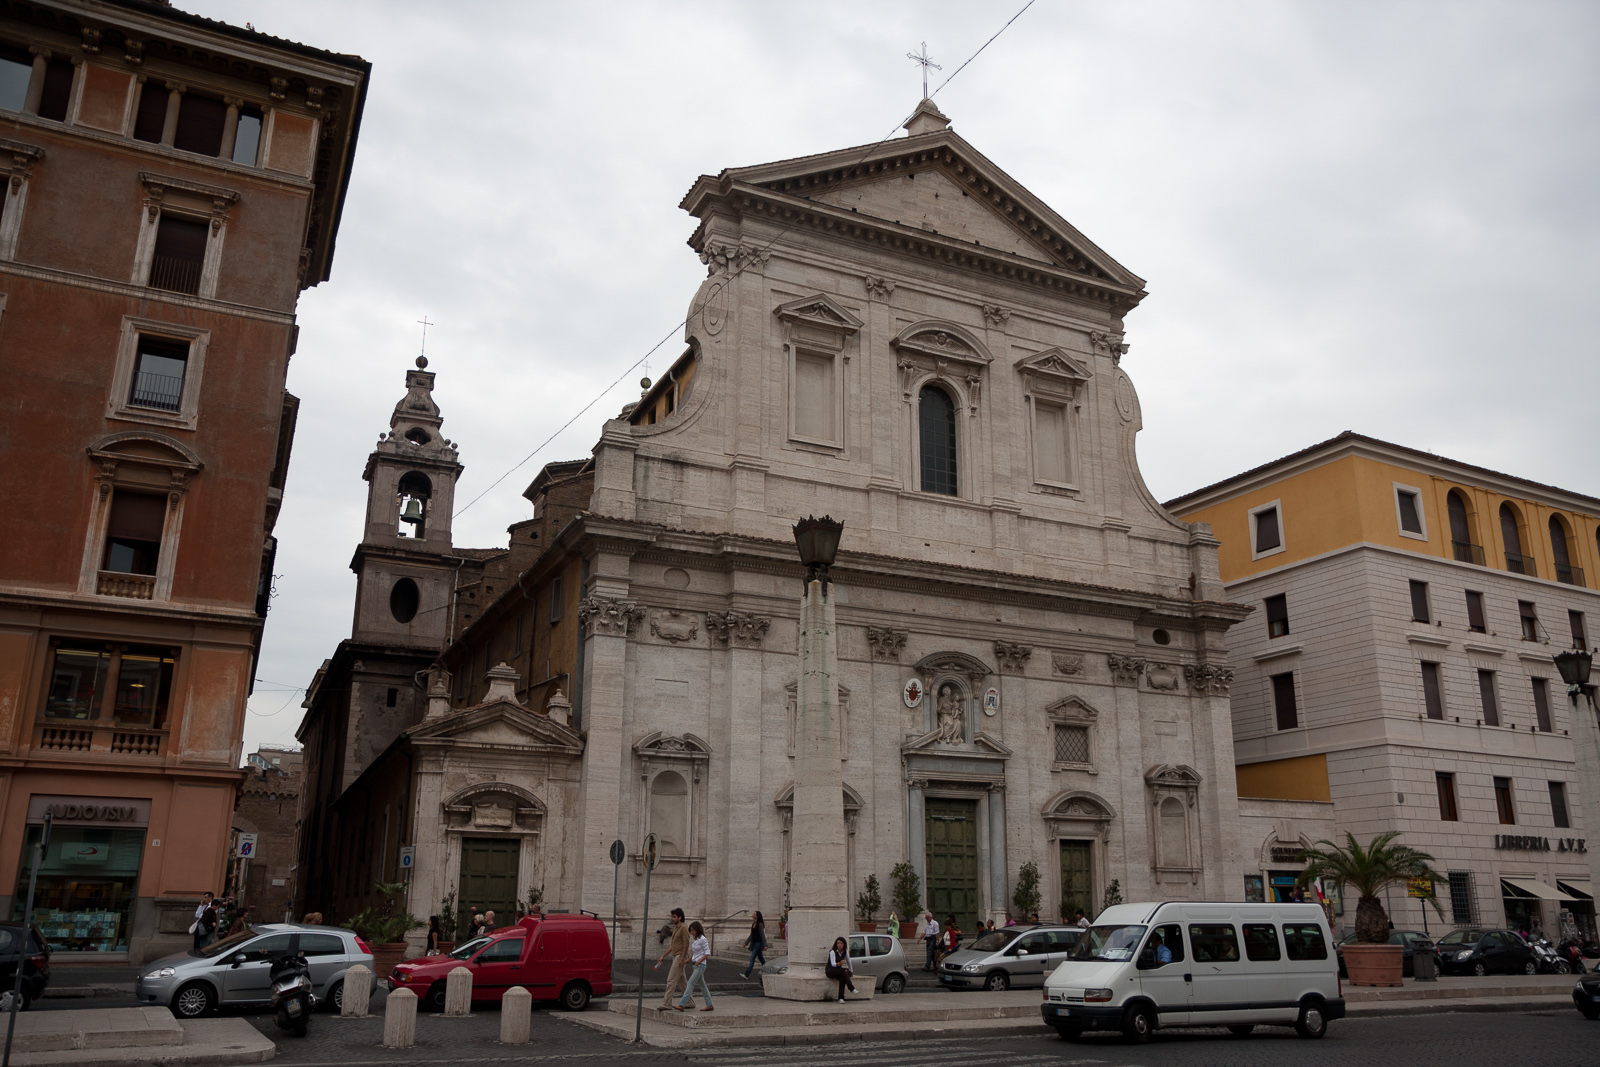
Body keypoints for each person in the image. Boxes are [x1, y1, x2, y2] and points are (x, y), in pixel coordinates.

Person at [676, 921, 714, 1012]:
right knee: (702, 985)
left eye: (693, 930)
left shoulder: (703, 939)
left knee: (690, 983)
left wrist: (699, 961)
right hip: (695, 964)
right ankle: (709, 1004)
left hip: (700, 965)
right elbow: (695, 954)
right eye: (691, 931)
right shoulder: (697, 940)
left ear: (697, 930)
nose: (691, 932)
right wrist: (687, 960)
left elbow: (707, 953)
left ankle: (682, 1004)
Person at [656, 908, 691, 1008]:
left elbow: (686, 944)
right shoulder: (676, 928)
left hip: (680, 956)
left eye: (674, 917)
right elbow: (672, 945)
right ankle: (690, 1001)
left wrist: (682, 958)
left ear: (680, 917)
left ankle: (667, 1003)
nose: (672, 919)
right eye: (672, 916)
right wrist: (663, 956)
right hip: (675, 955)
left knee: (671, 980)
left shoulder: (684, 927)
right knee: (682, 981)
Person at [826, 936, 857, 1002]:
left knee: (842, 978)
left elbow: (848, 961)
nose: (839, 945)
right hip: (830, 970)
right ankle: (851, 988)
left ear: (844, 944)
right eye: (838, 943)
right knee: (843, 971)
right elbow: (833, 964)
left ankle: (841, 998)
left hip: (839, 971)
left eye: (841, 943)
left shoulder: (845, 951)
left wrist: (851, 970)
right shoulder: (832, 952)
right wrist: (839, 964)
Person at [741, 911, 767, 979]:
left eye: (754, 914)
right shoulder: (753, 924)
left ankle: (746, 974)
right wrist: (746, 943)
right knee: (761, 959)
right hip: (754, 942)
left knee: (752, 958)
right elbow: (751, 935)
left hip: (758, 943)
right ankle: (768, 970)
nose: (753, 915)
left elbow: (762, 935)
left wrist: (765, 944)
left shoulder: (760, 924)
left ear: (757, 916)